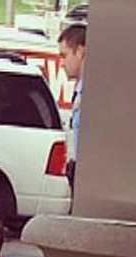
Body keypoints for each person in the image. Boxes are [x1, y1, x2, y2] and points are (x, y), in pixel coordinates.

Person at [58, 23, 87, 191]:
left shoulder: (91, 95)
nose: (61, 63)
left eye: (64, 55)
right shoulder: (79, 91)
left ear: (81, 52)